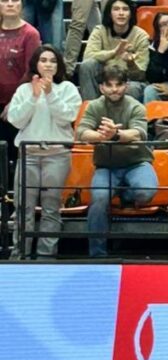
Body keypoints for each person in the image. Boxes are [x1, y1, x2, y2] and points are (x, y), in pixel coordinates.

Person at [7, 44, 81, 260]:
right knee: (23, 207)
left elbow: (68, 117)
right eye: (44, 60)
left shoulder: (68, 88)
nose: (48, 65)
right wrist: (33, 96)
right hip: (28, 154)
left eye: (53, 61)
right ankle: (20, 253)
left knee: (51, 207)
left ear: (59, 66)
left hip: (57, 154)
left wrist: (49, 94)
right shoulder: (24, 89)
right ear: (36, 64)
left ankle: (46, 255)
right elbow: (16, 120)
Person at [76, 63, 156, 258]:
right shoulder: (94, 106)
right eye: (109, 85)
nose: (114, 89)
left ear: (126, 86)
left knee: (146, 192)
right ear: (101, 87)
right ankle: (97, 255)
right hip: (107, 166)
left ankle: (124, 193)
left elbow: (139, 133)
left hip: (136, 162)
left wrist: (115, 134)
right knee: (99, 199)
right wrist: (101, 136)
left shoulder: (136, 106)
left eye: (118, 84)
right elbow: (81, 132)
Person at [79, 0, 148, 101]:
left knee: (132, 88)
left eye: (125, 9)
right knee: (87, 65)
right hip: (105, 76)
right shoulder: (99, 31)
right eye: (116, 9)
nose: (121, 13)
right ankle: (91, 107)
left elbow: (141, 75)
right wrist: (114, 52)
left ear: (131, 14)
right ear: (109, 13)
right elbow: (88, 56)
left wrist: (130, 63)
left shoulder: (141, 36)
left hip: (128, 79)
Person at [0, 0, 41, 162]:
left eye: (14, 0)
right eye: (5, 0)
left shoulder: (31, 34)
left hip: (20, 102)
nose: (10, 4)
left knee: (14, 153)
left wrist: (14, 101)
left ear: (22, 4)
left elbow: (31, 71)